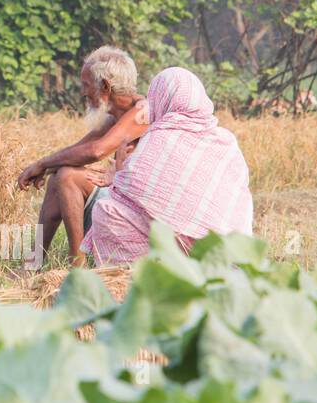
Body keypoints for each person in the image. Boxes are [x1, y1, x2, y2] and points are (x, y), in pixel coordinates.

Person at [81, 66, 253, 266]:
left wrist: (119, 174)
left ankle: (133, 277)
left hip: (187, 252)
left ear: (158, 100)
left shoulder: (157, 138)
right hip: (231, 254)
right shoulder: (226, 141)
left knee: (106, 210)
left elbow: (130, 196)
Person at [16, 46, 149, 267]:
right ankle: (33, 262)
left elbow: (97, 151)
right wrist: (45, 168)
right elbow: (81, 149)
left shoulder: (142, 111)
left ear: (105, 86)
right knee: (59, 175)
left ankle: (77, 264)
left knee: (67, 175)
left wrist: (41, 164)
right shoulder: (115, 115)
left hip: (136, 214)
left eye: (86, 85)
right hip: (120, 199)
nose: (82, 92)